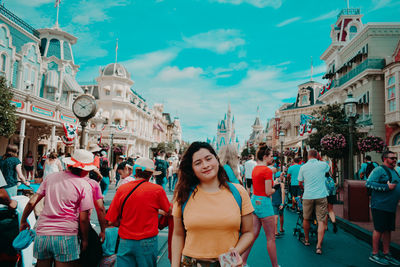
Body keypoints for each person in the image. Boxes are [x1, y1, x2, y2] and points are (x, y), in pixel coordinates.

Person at [171, 142, 254, 267]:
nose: (205, 165)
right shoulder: (183, 194)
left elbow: (248, 232)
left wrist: (235, 253)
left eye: (208, 159)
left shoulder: (239, 192)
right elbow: (177, 234)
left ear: (217, 159)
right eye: (198, 163)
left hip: (227, 263)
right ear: (192, 169)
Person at [19, 149, 95, 267]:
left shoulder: (51, 178)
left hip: (43, 235)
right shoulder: (84, 185)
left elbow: (31, 202)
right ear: (85, 170)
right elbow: (84, 218)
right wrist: (85, 239)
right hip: (66, 236)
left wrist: (23, 221)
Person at [106, 157, 170, 267]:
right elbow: (169, 210)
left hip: (125, 240)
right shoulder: (157, 190)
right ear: (151, 175)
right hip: (147, 240)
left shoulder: (122, 189)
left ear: (135, 172)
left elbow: (111, 220)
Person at [242, 144, 279, 267]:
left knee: (253, 234)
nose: (272, 158)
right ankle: (275, 266)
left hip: (255, 201)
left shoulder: (255, 169)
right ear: (265, 156)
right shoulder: (267, 171)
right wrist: (276, 186)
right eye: (271, 156)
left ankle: (243, 261)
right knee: (270, 238)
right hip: (264, 203)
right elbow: (268, 191)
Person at [366, 150, 400, 265]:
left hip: (391, 206)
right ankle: (374, 254)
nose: (394, 160)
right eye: (392, 158)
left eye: (395, 158)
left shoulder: (394, 171)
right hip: (380, 205)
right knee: (379, 229)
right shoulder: (379, 170)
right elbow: (368, 183)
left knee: (388, 230)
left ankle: (386, 253)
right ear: (385, 159)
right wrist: (386, 187)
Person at [298, 149, 330, 255]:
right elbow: (329, 169)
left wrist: (305, 187)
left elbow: (300, 182)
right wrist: (320, 159)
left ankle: (307, 240)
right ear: (317, 156)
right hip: (321, 195)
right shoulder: (322, 164)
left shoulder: (303, 167)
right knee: (321, 220)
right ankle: (319, 246)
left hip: (308, 195)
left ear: (307, 156)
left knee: (306, 218)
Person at [272, 171, 285, 237]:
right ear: (280, 176)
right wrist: (282, 203)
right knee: (281, 215)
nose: (283, 177)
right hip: (280, 201)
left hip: (273, 201)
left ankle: (275, 231)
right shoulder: (281, 184)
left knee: (275, 216)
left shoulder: (272, 183)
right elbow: (283, 193)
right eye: (282, 176)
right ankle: (281, 228)